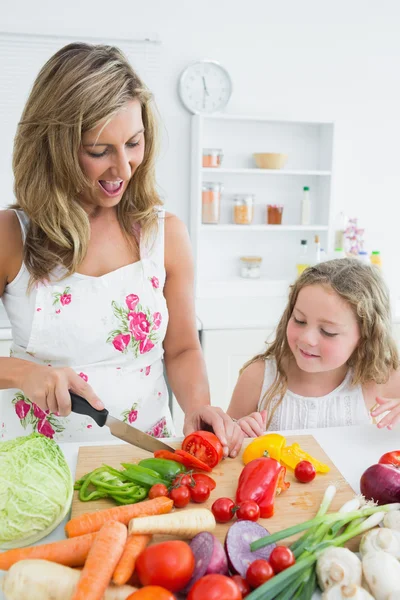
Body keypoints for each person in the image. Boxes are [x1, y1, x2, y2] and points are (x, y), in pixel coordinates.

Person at [0, 42, 243, 457]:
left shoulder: (164, 235)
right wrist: (22, 373)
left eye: (134, 143)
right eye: (99, 151)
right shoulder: (11, 235)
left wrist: (198, 407)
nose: (123, 169)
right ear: (54, 147)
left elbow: (182, 348)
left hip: (147, 457)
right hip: (37, 464)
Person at [228, 258, 400, 436]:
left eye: (328, 331)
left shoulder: (377, 377)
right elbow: (225, 442)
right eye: (299, 320)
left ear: (366, 337)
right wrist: (239, 431)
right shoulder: (258, 377)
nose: (307, 338)